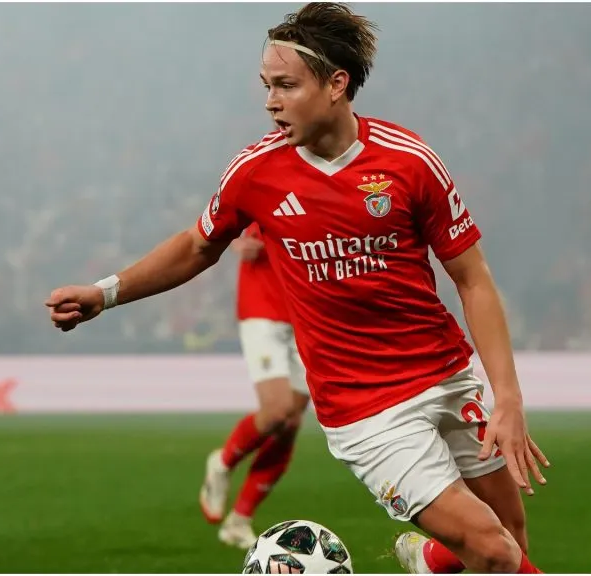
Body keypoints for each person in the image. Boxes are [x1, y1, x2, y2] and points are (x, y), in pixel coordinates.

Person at [45, 3, 549, 573]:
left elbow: (472, 278)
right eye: (266, 85)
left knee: (511, 537)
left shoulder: (409, 162)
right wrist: (105, 292)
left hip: (445, 371)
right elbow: (196, 245)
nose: (270, 101)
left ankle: (432, 561)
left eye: (285, 85)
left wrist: (507, 398)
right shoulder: (257, 171)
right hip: (364, 409)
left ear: (337, 84)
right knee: (489, 549)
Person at [200, 222, 311, 549]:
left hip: (305, 315)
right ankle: (222, 462)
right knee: (277, 411)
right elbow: (238, 223)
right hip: (263, 311)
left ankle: (239, 520)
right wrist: (245, 239)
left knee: (290, 424)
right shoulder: (267, 179)